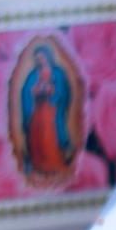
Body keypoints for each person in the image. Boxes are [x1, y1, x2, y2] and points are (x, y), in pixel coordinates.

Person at [21, 45, 74, 177]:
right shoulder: (33, 75)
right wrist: (35, 91)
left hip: (51, 109)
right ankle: (38, 164)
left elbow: (63, 91)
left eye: (41, 57)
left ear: (47, 57)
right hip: (38, 109)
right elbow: (26, 92)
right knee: (37, 135)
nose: (39, 60)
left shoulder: (58, 73)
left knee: (49, 135)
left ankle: (52, 163)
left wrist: (52, 92)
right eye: (37, 59)